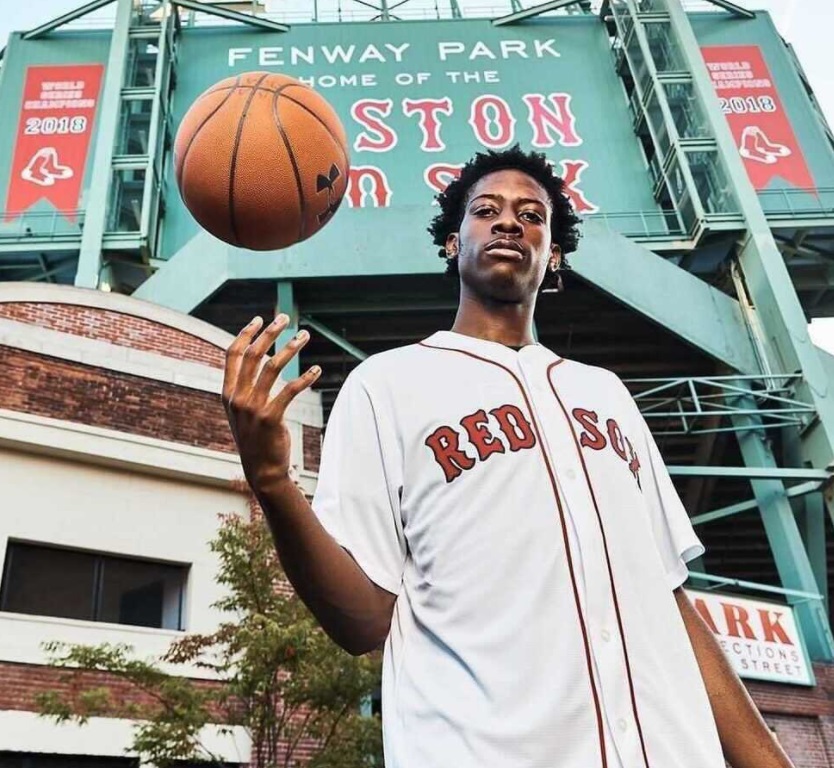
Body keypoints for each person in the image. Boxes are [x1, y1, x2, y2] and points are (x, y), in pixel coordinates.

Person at [222, 145, 796, 768]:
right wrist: (274, 482)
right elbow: (361, 623)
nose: (508, 222)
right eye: (485, 210)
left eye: (531, 215)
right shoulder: (385, 384)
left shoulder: (605, 392)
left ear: (553, 255)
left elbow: (668, 599)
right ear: (451, 243)